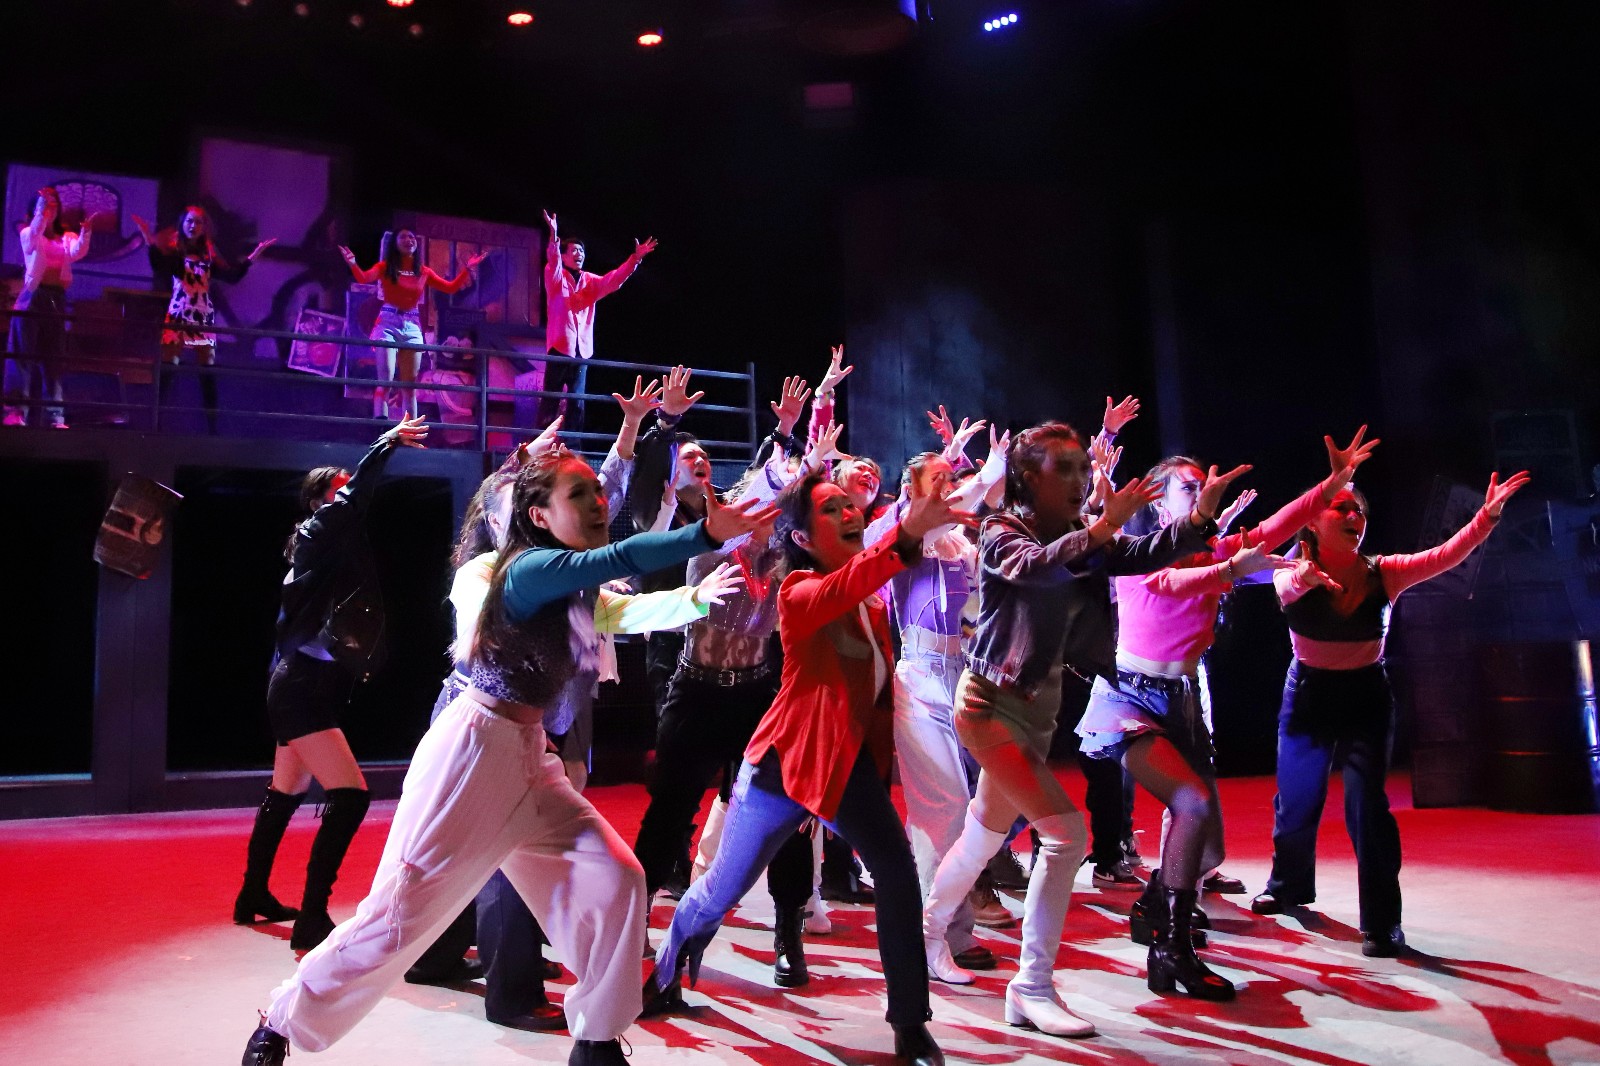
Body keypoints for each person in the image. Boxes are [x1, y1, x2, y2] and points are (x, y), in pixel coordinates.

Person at [242, 446, 778, 1066]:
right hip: (473, 753)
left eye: (597, 492)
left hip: (529, 754)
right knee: (398, 914)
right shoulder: (524, 570)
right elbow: (621, 557)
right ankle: (280, 1024)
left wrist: (694, 598)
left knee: (617, 879)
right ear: (538, 516)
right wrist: (705, 533)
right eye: (580, 494)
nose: (599, 502)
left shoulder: (570, 583)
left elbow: (623, 608)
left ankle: (598, 1041)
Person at [920, 421, 1243, 1035]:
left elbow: (1143, 553)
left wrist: (1201, 517)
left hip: (1037, 713)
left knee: (984, 836)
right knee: (1066, 836)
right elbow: (1036, 568)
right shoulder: (1000, 531)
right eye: (1062, 469)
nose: (1077, 480)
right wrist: (1098, 528)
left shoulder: (1080, 534)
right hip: (988, 706)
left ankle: (929, 930)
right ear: (1027, 478)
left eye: (1080, 468)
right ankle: (1031, 988)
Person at [646, 469, 975, 1066]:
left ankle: (910, 1024)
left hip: (844, 769)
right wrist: (905, 534)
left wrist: (916, 527)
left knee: (897, 873)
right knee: (722, 888)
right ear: (801, 538)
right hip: (783, 764)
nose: (850, 513)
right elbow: (854, 577)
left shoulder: (869, 596)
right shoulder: (797, 592)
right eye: (831, 509)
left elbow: (869, 593)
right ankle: (666, 967)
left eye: (851, 505)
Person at [1076, 428, 1379, 1000]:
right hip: (1130, 697)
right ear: (1159, 501)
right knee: (1190, 804)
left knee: (1206, 846)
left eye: (1203, 485)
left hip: (1183, 699)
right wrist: (1234, 569)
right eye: (1189, 487)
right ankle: (1171, 951)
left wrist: (1332, 484)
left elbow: (1278, 526)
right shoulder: (1135, 552)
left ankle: (1154, 906)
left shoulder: (1213, 548)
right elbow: (1173, 583)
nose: (1202, 491)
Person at [1251, 468, 1530, 957]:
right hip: (1309, 693)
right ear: (1311, 520)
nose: (1354, 515)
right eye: (1341, 507)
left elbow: (1445, 556)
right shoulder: (1288, 569)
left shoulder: (1386, 571)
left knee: (1367, 806)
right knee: (1297, 799)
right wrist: (1303, 575)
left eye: (1359, 509)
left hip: (1366, 696)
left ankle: (1382, 923)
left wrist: (1485, 518)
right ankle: (1288, 884)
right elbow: (1286, 588)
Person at [234, 416, 428, 954]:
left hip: (299, 684)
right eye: (340, 489)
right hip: (301, 689)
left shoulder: (326, 549)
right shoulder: (320, 531)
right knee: (351, 797)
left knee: (284, 793)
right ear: (321, 500)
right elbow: (353, 499)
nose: (352, 496)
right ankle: (313, 916)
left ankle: (252, 895)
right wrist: (385, 445)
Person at [864, 426, 1010, 972]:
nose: (950, 487)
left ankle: (949, 927)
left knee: (966, 807)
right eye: (940, 479)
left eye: (953, 477)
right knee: (941, 808)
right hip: (918, 679)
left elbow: (976, 606)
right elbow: (930, 520)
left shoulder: (957, 541)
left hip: (960, 674)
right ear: (913, 490)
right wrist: (986, 472)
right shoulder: (905, 528)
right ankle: (931, 935)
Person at [135, 207, 275, 433]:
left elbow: (231, 276)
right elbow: (159, 266)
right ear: (183, 223)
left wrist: (254, 255)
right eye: (190, 221)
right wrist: (147, 237)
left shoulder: (208, 252)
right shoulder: (175, 249)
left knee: (207, 369)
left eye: (198, 222)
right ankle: (156, 421)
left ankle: (212, 426)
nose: (193, 226)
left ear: (203, 227)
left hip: (202, 315)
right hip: (179, 313)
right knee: (170, 366)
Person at [339, 230, 486, 419]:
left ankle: (409, 429)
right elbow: (363, 278)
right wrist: (352, 263)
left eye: (412, 237)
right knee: (386, 379)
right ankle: (381, 424)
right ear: (395, 243)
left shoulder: (423, 271)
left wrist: (468, 268)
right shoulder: (385, 267)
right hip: (388, 322)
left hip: (412, 325)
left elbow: (450, 288)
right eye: (403, 237)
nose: (409, 240)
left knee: (410, 385)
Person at [539, 208, 656, 428]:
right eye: (574, 250)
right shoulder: (556, 278)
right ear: (564, 256)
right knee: (550, 401)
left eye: (582, 251)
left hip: (582, 351)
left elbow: (614, 280)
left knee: (577, 403)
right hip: (559, 348)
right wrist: (553, 236)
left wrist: (635, 260)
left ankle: (573, 444)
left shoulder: (590, 281)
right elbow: (553, 261)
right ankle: (540, 442)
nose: (579, 254)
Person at [6, 187, 93, 428]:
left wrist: (85, 231)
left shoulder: (65, 237)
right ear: (35, 210)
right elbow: (33, 238)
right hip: (33, 295)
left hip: (56, 297)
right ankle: (15, 412)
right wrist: (40, 214)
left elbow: (77, 252)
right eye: (44, 204)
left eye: (53, 204)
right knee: (22, 356)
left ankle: (55, 416)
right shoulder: (29, 232)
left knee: (54, 358)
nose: (49, 209)